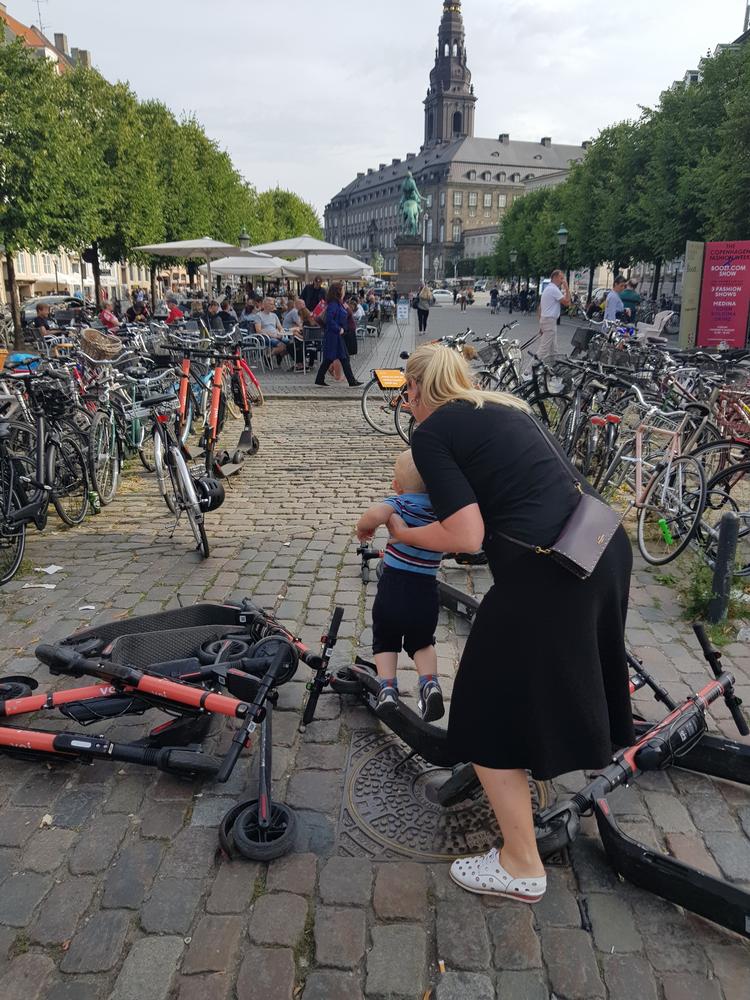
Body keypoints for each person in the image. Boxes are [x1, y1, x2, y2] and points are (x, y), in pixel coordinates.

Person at [388, 343, 633, 903]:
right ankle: (533, 770)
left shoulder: (431, 434)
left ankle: (521, 863)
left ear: (422, 390)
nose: (406, 406)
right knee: (546, 676)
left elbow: (466, 537)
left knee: (482, 705)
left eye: (406, 394)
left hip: (551, 571)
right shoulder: (503, 406)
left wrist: (401, 534)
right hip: (599, 544)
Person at [356, 449, 444, 721]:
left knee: (385, 640)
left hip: (393, 588)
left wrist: (364, 528)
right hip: (425, 591)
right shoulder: (441, 509)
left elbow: (374, 514)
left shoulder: (400, 503)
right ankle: (429, 684)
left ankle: (388, 690)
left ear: (397, 485)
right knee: (422, 643)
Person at [314, 282, 363, 387]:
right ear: (338, 291)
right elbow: (330, 320)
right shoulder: (333, 304)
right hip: (334, 335)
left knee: (337, 358)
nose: (344, 291)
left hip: (337, 335)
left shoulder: (339, 303)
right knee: (337, 358)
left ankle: (321, 378)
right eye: (343, 289)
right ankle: (351, 381)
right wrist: (338, 329)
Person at [525, 270, 570, 372]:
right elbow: (567, 302)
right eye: (561, 278)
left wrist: (541, 324)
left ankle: (554, 371)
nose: (562, 280)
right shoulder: (554, 289)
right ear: (554, 277)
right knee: (544, 350)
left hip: (547, 320)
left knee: (553, 350)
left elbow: (540, 308)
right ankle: (527, 372)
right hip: (550, 321)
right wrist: (567, 288)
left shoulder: (547, 289)